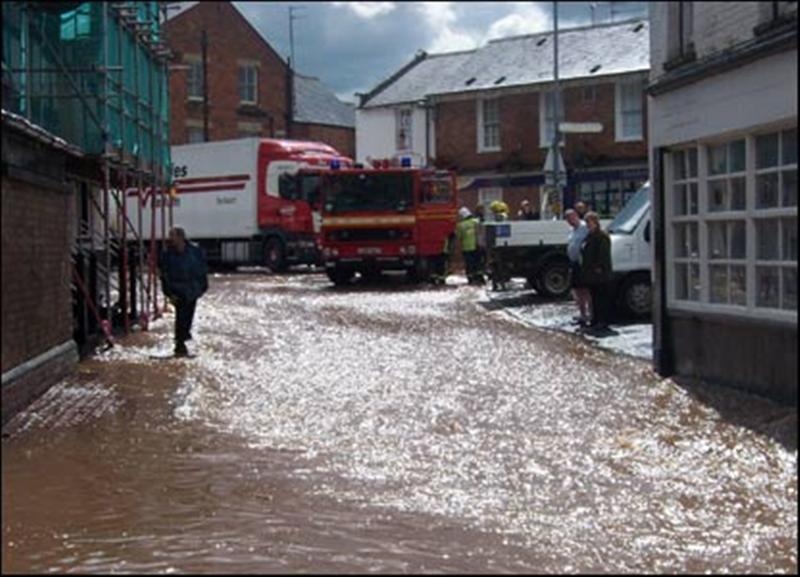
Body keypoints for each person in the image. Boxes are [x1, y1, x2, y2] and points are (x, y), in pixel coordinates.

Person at [159, 226, 209, 356]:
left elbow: (202, 268)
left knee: (188, 316)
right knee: (180, 317)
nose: (170, 238)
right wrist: (168, 292)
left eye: (172, 235)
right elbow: (164, 274)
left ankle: (184, 338)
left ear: (180, 237)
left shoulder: (194, 250)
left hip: (192, 289)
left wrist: (203, 286)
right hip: (177, 289)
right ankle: (179, 344)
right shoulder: (167, 253)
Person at [579, 212, 613, 331]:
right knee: (594, 297)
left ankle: (602, 321)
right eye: (586, 222)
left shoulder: (601, 236)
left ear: (595, 222)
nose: (588, 224)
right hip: (590, 273)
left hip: (599, 274)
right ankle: (595, 320)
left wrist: (598, 267)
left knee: (601, 298)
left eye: (589, 222)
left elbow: (603, 255)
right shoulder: (589, 235)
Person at [565, 209, 591, 326]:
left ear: (576, 216)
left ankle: (590, 314)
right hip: (573, 263)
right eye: (567, 219)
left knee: (585, 290)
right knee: (576, 290)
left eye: (571, 218)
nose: (570, 221)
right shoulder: (571, 230)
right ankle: (582, 315)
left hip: (583, 264)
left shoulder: (585, 227)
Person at [456, 207, 484, 285]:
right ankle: (480, 278)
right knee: (478, 263)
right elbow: (481, 232)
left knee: (469, 264)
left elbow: (459, 237)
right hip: (478, 246)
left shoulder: (460, 225)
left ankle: (471, 279)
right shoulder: (476, 222)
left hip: (467, 248)